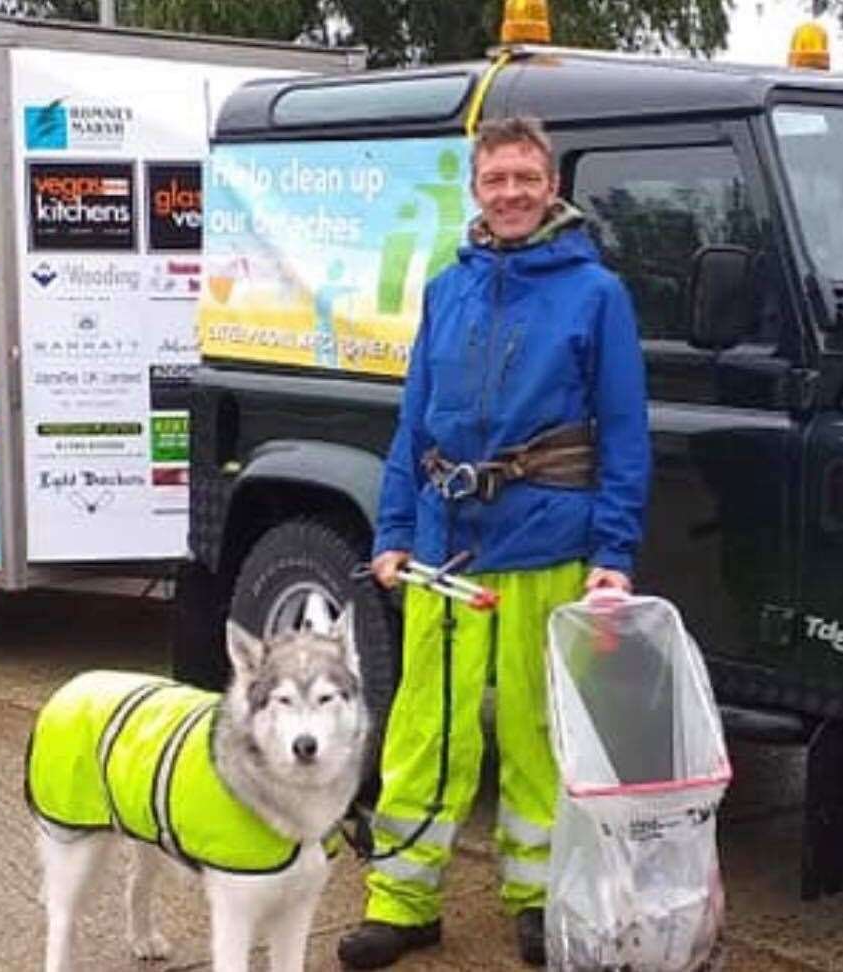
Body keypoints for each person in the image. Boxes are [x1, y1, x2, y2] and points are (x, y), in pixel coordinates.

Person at [337, 116, 651, 970]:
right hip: (443, 552)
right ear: (474, 190)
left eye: (524, 178)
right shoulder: (448, 288)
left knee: (537, 733)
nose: (509, 193)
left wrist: (612, 555)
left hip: (548, 544)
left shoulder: (595, 295)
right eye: (494, 180)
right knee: (424, 731)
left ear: (550, 186)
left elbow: (623, 435)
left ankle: (535, 900)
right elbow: (410, 425)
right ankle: (401, 902)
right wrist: (393, 531)